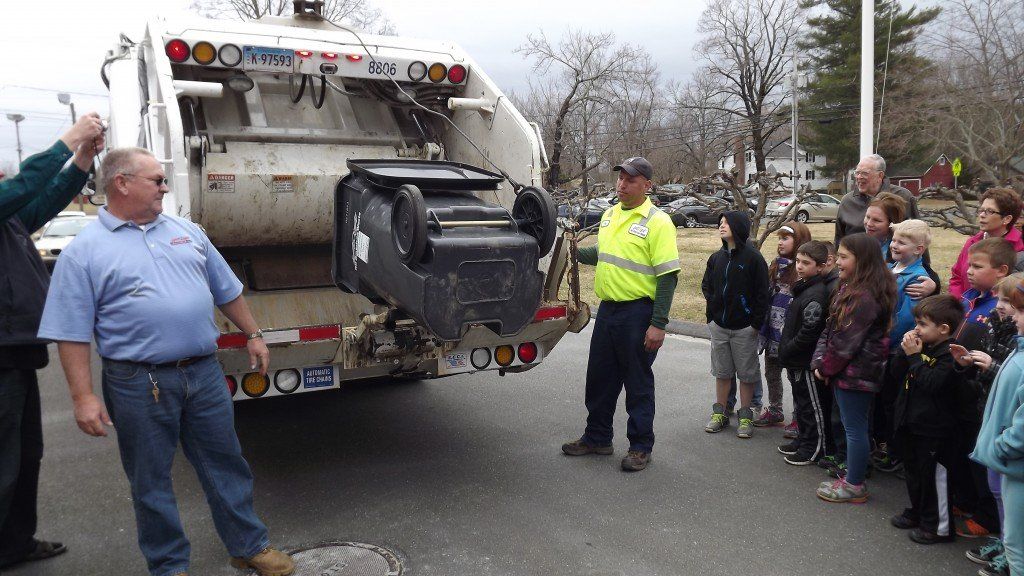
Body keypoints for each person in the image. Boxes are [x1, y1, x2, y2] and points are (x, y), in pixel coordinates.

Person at [36, 148, 294, 576]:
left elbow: (225, 289)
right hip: (138, 382)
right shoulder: (85, 252)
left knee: (225, 463)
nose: (165, 187)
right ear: (121, 182)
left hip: (203, 372)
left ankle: (249, 546)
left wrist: (254, 334)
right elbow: (71, 331)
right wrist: (82, 397)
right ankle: (170, 566)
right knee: (151, 481)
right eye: (156, 179)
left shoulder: (186, 231)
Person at [0, 113, 105, 570]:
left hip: (16, 352)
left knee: (25, 458)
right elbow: (24, 187)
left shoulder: (9, 219)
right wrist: (69, 139)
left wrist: (82, 159)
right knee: (3, 462)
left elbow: (43, 198)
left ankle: (14, 543)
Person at [561, 156, 680, 472]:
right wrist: (571, 251)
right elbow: (603, 254)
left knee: (637, 383)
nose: (623, 184)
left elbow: (668, 275)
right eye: (620, 179)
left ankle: (640, 447)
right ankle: (597, 437)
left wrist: (658, 323)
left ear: (647, 185)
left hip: (638, 314)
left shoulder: (658, 221)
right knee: (599, 378)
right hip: (608, 312)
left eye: (630, 179)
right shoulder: (610, 215)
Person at [811, 233, 895, 503]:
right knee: (854, 426)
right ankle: (853, 475)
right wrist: (821, 361)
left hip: (858, 374)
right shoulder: (851, 288)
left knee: (854, 429)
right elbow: (830, 328)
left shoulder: (864, 297)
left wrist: (825, 368)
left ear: (863, 261)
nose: (838, 262)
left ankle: (855, 484)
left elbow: (846, 343)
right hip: (847, 371)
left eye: (844, 257)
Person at [954, 274, 1023, 575]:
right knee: (997, 492)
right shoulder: (1004, 331)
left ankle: (1013, 554)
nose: (1004, 309)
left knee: (1013, 508)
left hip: (1009, 447)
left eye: (1013, 305)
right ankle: (1006, 542)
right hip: (995, 433)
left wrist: (1001, 444)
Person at [948, 238, 1015, 543]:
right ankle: (968, 501)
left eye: (977, 266)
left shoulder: (1002, 309)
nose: (969, 271)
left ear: (1001, 271)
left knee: (982, 458)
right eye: (969, 265)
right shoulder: (969, 297)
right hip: (966, 388)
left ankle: (987, 516)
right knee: (963, 448)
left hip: (985, 397)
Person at [888, 295, 964, 545]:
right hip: (913, 422)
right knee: (915, 471)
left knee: (935, 477)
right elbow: (897, 373)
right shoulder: (923, 347)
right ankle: (919, 512)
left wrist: (914, 357)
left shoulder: (950, 354)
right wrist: (904, 352)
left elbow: (933, 384)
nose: (916, 329)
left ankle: (939, 526)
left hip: (936, 428)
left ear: (943, 329)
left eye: (922, 324)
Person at [702, 210, 769, 439]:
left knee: (747, 374)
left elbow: (762, 294)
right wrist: (711, 316)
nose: (721, 226)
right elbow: (707, 286)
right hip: (719, 325)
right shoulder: (716, 258)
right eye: (720, 223)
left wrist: (755, 323)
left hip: (744, 328)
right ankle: (720, 413)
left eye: (726, 223)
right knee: (722, 372)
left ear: (738, 227)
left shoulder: (754, 258)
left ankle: (745, 415)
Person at [874, 219, 932, 473]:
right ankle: (881, 443)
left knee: (891, 402)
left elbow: (907, 319)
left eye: (902, 242)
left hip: (894, 348)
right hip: (878, 345)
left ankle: (893, 451)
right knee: (879, 400)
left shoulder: (917, 278)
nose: (895, 245)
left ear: (919, 249)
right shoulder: (890, 267)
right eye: (894, 240)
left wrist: (881, 337)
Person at [776, 240, 831, 465]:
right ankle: (803, 439)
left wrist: (788, 349)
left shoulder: (816, 294)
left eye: (806, 263)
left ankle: (814, 448)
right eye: (798, 261)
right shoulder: (805, 287)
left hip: (805, 361)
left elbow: (809, 331)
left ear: (820, 266)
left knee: (811, 407)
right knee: (801, 404)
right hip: (795, 360)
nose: (799, 266)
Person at [755, 222, 812, 428]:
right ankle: (775, 409)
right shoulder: (775, 264)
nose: (780, 242)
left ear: (800, 241)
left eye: (785, 238)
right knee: (771, 372)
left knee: (793, 376)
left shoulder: (802, 269)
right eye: (779, 238)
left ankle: (799, 416)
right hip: (772, 328)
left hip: (790, 331)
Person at [949, 187, 1024, 300]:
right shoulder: (972, 242)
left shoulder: (1018, 249)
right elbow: (957, 277)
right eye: (981, 210)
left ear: (1007, 219)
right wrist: (958, 305)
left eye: (990, 211)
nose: (982, 215)